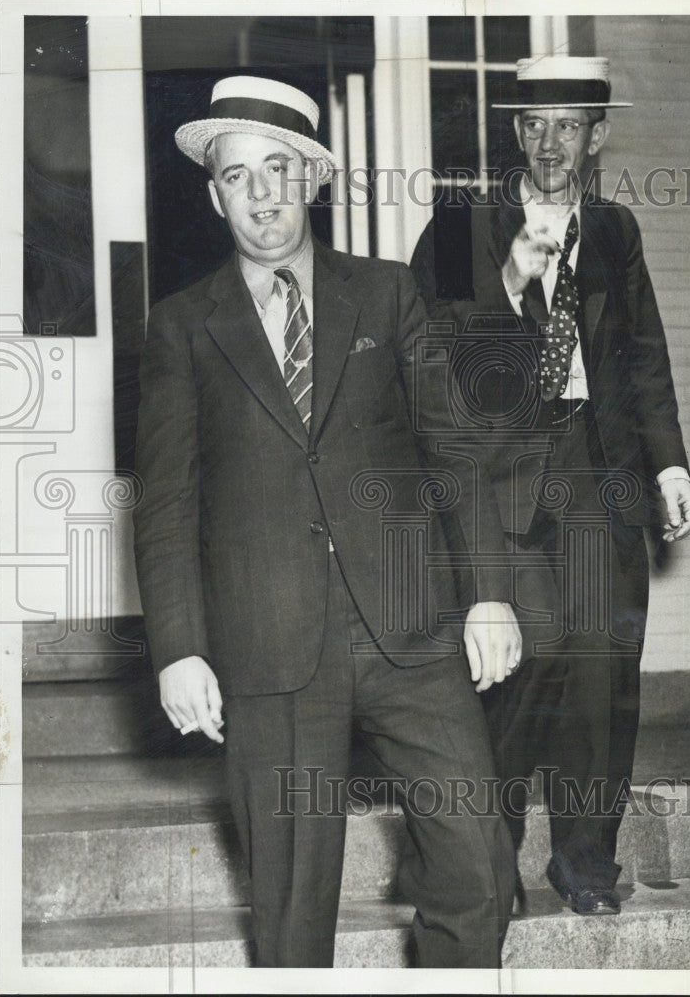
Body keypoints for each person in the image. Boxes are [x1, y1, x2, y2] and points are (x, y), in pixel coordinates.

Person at [133, 75, 521, 968]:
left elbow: (454, 452)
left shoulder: (386, 295)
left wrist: (489, 598)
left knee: (476, 862)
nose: (261, 193)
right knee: (291, 905)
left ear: (312, 178)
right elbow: (165, 502)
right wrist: (178, 647)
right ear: (212, 192)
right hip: (267, 641)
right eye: (237, 176)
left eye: (278, 168)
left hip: (412, 631)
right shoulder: (183, 326)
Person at [410, 55, 690, 916]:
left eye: (567, 126)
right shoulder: (463, 225)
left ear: (596, 136)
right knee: (513, 672)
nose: (547, 144)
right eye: (532, 126)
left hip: (599, 474)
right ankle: (484, 864)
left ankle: (584, 863)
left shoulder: (613, 232)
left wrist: (669, 463)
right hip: (498, 481)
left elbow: (642, 355)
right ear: (512, 135)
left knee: (605, 673)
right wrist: (511, 281)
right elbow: (431, 360)